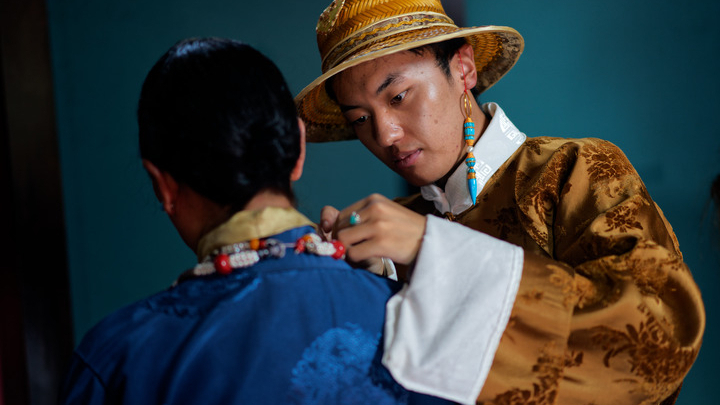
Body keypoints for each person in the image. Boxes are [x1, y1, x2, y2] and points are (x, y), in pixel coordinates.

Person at [295, 0, 706, 404]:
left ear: (463, 68)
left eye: (399, 96)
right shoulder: (392, 231)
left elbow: (659, 339)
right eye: (360, 119)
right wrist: (364, 286)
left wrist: (432, 250)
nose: (384, 135)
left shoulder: (575, 170)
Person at [60, 37, 454, 404]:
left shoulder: (121, 357)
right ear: (298, 148)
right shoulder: (422, 321)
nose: (386, 134)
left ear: (163, 186)